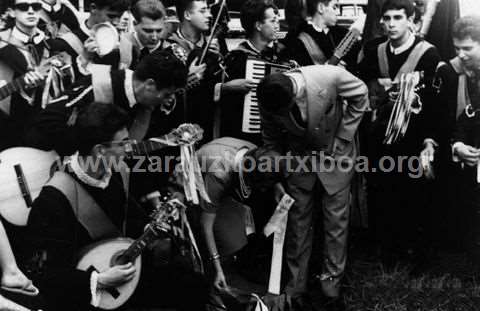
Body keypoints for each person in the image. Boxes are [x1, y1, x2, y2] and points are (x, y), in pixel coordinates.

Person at [7, 102, 209, 311]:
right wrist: (99, 280)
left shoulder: (118, 172)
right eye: (122, 143)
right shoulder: (54, 200)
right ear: (100, 151)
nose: (129, 148)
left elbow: (130, 220)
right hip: (86, 293)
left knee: (194, 284)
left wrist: (150, 229)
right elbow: (43, 272)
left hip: (125, 267)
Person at [257, 65, 368, 310]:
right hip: (299, 162)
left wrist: (344, 136)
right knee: (298, 226)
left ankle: (331, 288)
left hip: (335, 157)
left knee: (335, 225)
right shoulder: (266, 96)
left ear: (295, 92)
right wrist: (275, 174)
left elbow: (361, 93)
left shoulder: (330, 76)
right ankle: (296, 289)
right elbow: (271, 139)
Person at [24, 49, 188, 157]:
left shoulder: (145, 107)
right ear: (150, 85)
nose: (169, 100)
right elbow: (46, 123)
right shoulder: (99, 86)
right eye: (167, 94)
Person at [195, 137, 285, 293]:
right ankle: (215, 270)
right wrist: (218, 268)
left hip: (224, 184)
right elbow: (206, 224)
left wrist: (276, 185)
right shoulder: (219, 173)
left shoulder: (253, 152)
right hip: (197, 189)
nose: (263, 190)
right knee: (233, 242)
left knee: (239, 236)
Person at [215, 0, 290, 146]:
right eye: (273, 21)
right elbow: (229, 109)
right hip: (246, 137)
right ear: (258, 25)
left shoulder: (282, 55)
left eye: (278, 20)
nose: (278, 25)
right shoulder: (237, 58)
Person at [438, 16, 480, 258]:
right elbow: (460, 118)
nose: (461, 54)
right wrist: (457, 145)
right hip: (466, 157)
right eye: (457, 48)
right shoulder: (450, 72)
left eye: (468, 48)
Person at [0, 0, 62, 151]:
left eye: (36, 7)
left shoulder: (53, 44)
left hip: (45, 127)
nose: (30, 11)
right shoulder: (2, 44)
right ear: (12, 12)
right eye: (23, 7)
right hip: (8, 127)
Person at [287, 0, 360, 70]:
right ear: (321, 8)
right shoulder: (296, 39)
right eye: (334, 7)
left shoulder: (343, 33)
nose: (338, 12)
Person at [118, 0, 172, 70]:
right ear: (135, 24)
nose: (154, 37)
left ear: (164, 24)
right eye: (148, 31)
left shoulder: (171, 51)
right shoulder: (119, 47)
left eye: (159, 31)